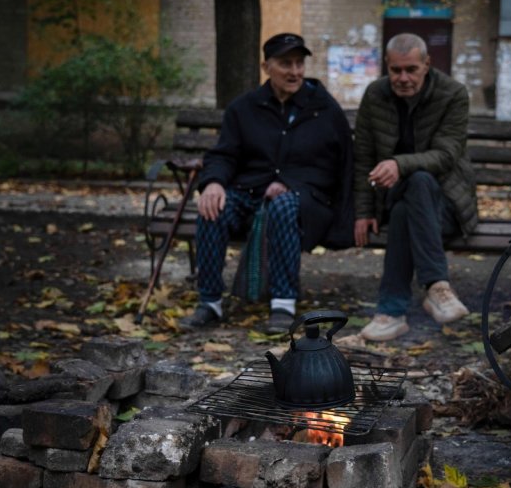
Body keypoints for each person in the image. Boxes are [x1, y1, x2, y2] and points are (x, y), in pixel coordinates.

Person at [179, 33, 354, 334]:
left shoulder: (323, 108)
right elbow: (225, 154)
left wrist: (290, 183)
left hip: (306, 202)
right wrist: (214, 183)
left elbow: (335, 166)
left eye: (299, 63)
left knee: (283, 205)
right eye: (286, 63)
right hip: (249, 194)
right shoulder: (244, 108)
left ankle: (283, 303)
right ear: (266, 66)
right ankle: (209, 302)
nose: (295, 71)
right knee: (212, 207)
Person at [353, 33, 478, 341]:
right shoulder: (375, 95)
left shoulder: (453, 94)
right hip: (393, 194)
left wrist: (400, 165)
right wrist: (363, 210)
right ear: (387, 66)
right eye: (396, 70)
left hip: (446, 202)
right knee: (406, 199)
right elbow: (363, 157)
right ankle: (436, 289)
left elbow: (447, 155)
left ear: (427, 64)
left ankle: (392, 312)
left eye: (411, 69)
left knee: (411, 196)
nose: (403, 78)